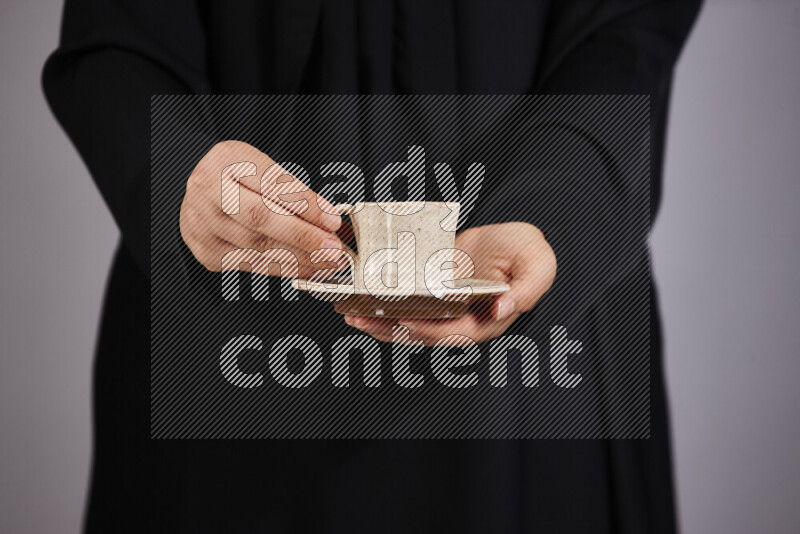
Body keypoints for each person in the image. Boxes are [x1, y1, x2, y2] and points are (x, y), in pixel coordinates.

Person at [43, 0, 701, 532]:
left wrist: (555, 209)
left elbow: (628, 33)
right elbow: (113, 43)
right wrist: (175, 171)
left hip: (532, 363)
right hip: (220, 335)